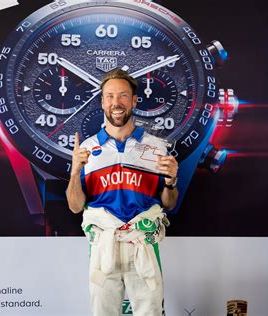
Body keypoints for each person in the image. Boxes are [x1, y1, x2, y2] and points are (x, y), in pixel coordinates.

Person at [66, 69, 179, 316]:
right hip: (104, 244)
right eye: (109, 96)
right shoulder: (87, 148)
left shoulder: (156, 147)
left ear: (134, 100)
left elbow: (168, 204)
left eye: (123, 96)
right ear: (102, 101)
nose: (116, 103)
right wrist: (75, 173)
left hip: (143, 243)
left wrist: (171, 182)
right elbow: (75, 206)